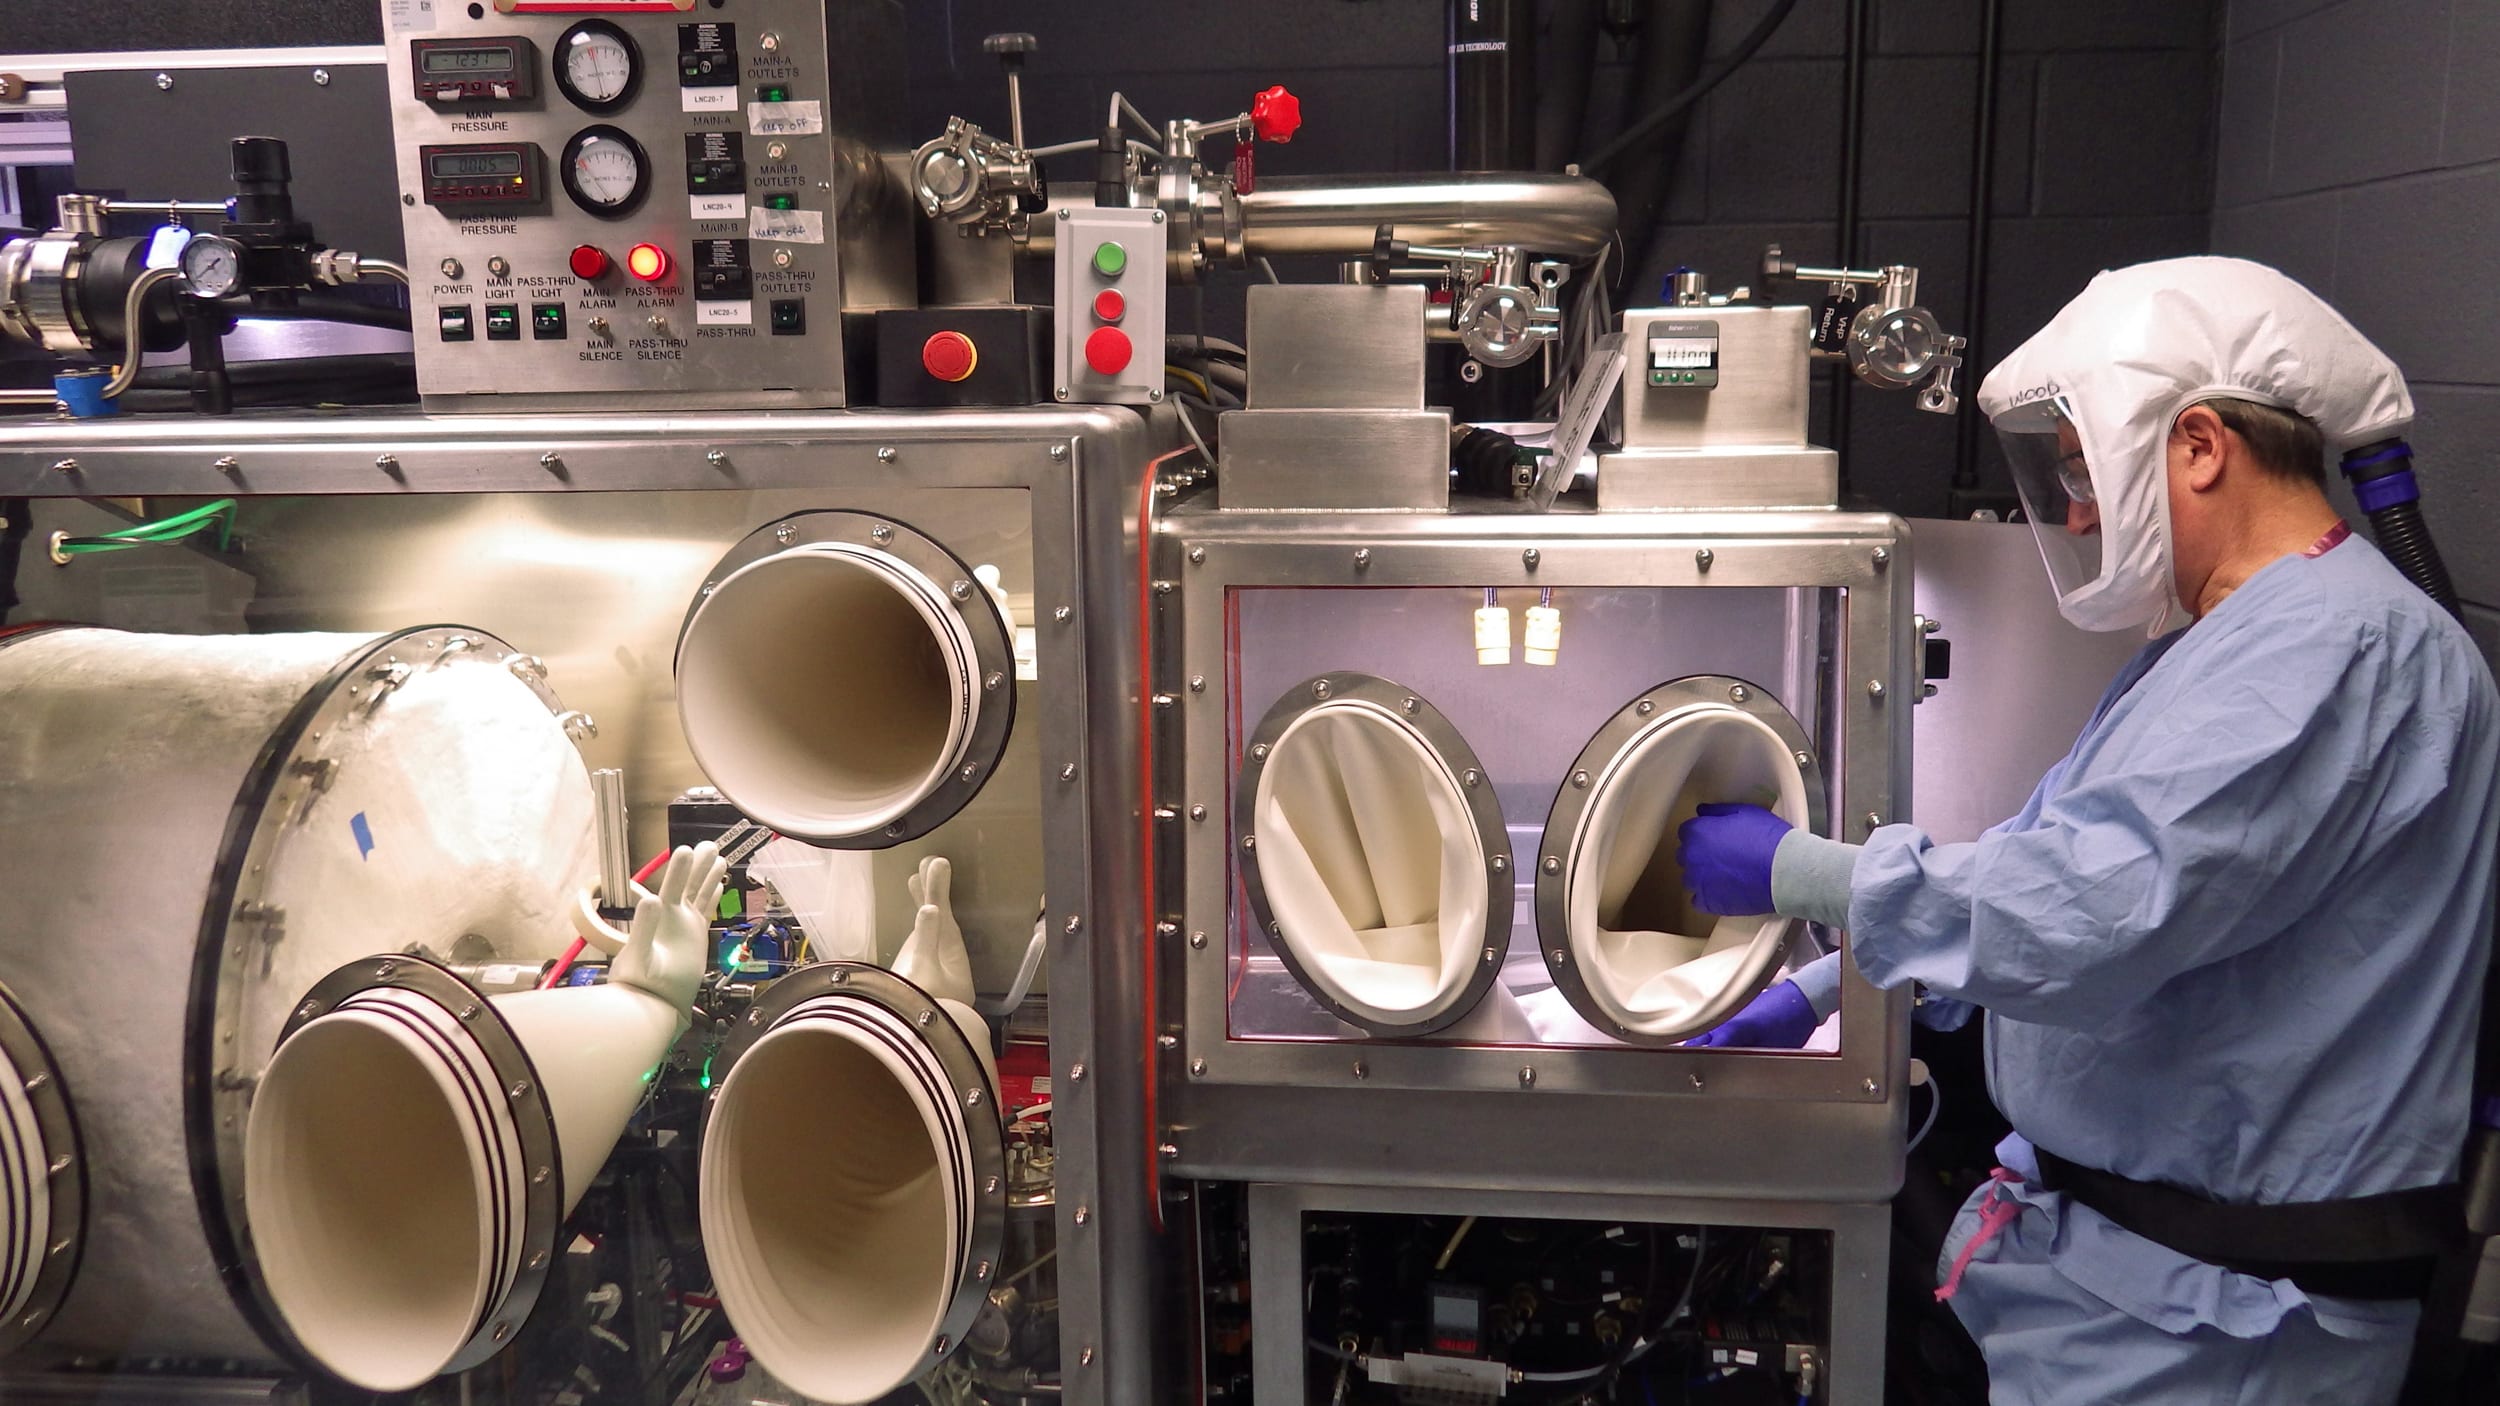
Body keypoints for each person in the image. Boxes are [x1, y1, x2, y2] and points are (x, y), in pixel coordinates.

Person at [1676, 257, 2500, 1405]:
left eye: (2080, 473)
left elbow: (2080, 911)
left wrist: (1795, 871)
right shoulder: (2228, 643)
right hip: (2133, 1288)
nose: (2071, 512)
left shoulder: (2334, 652)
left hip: (2221, 1328)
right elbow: (2116, 900)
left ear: (2201, 445)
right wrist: (1826, 994)